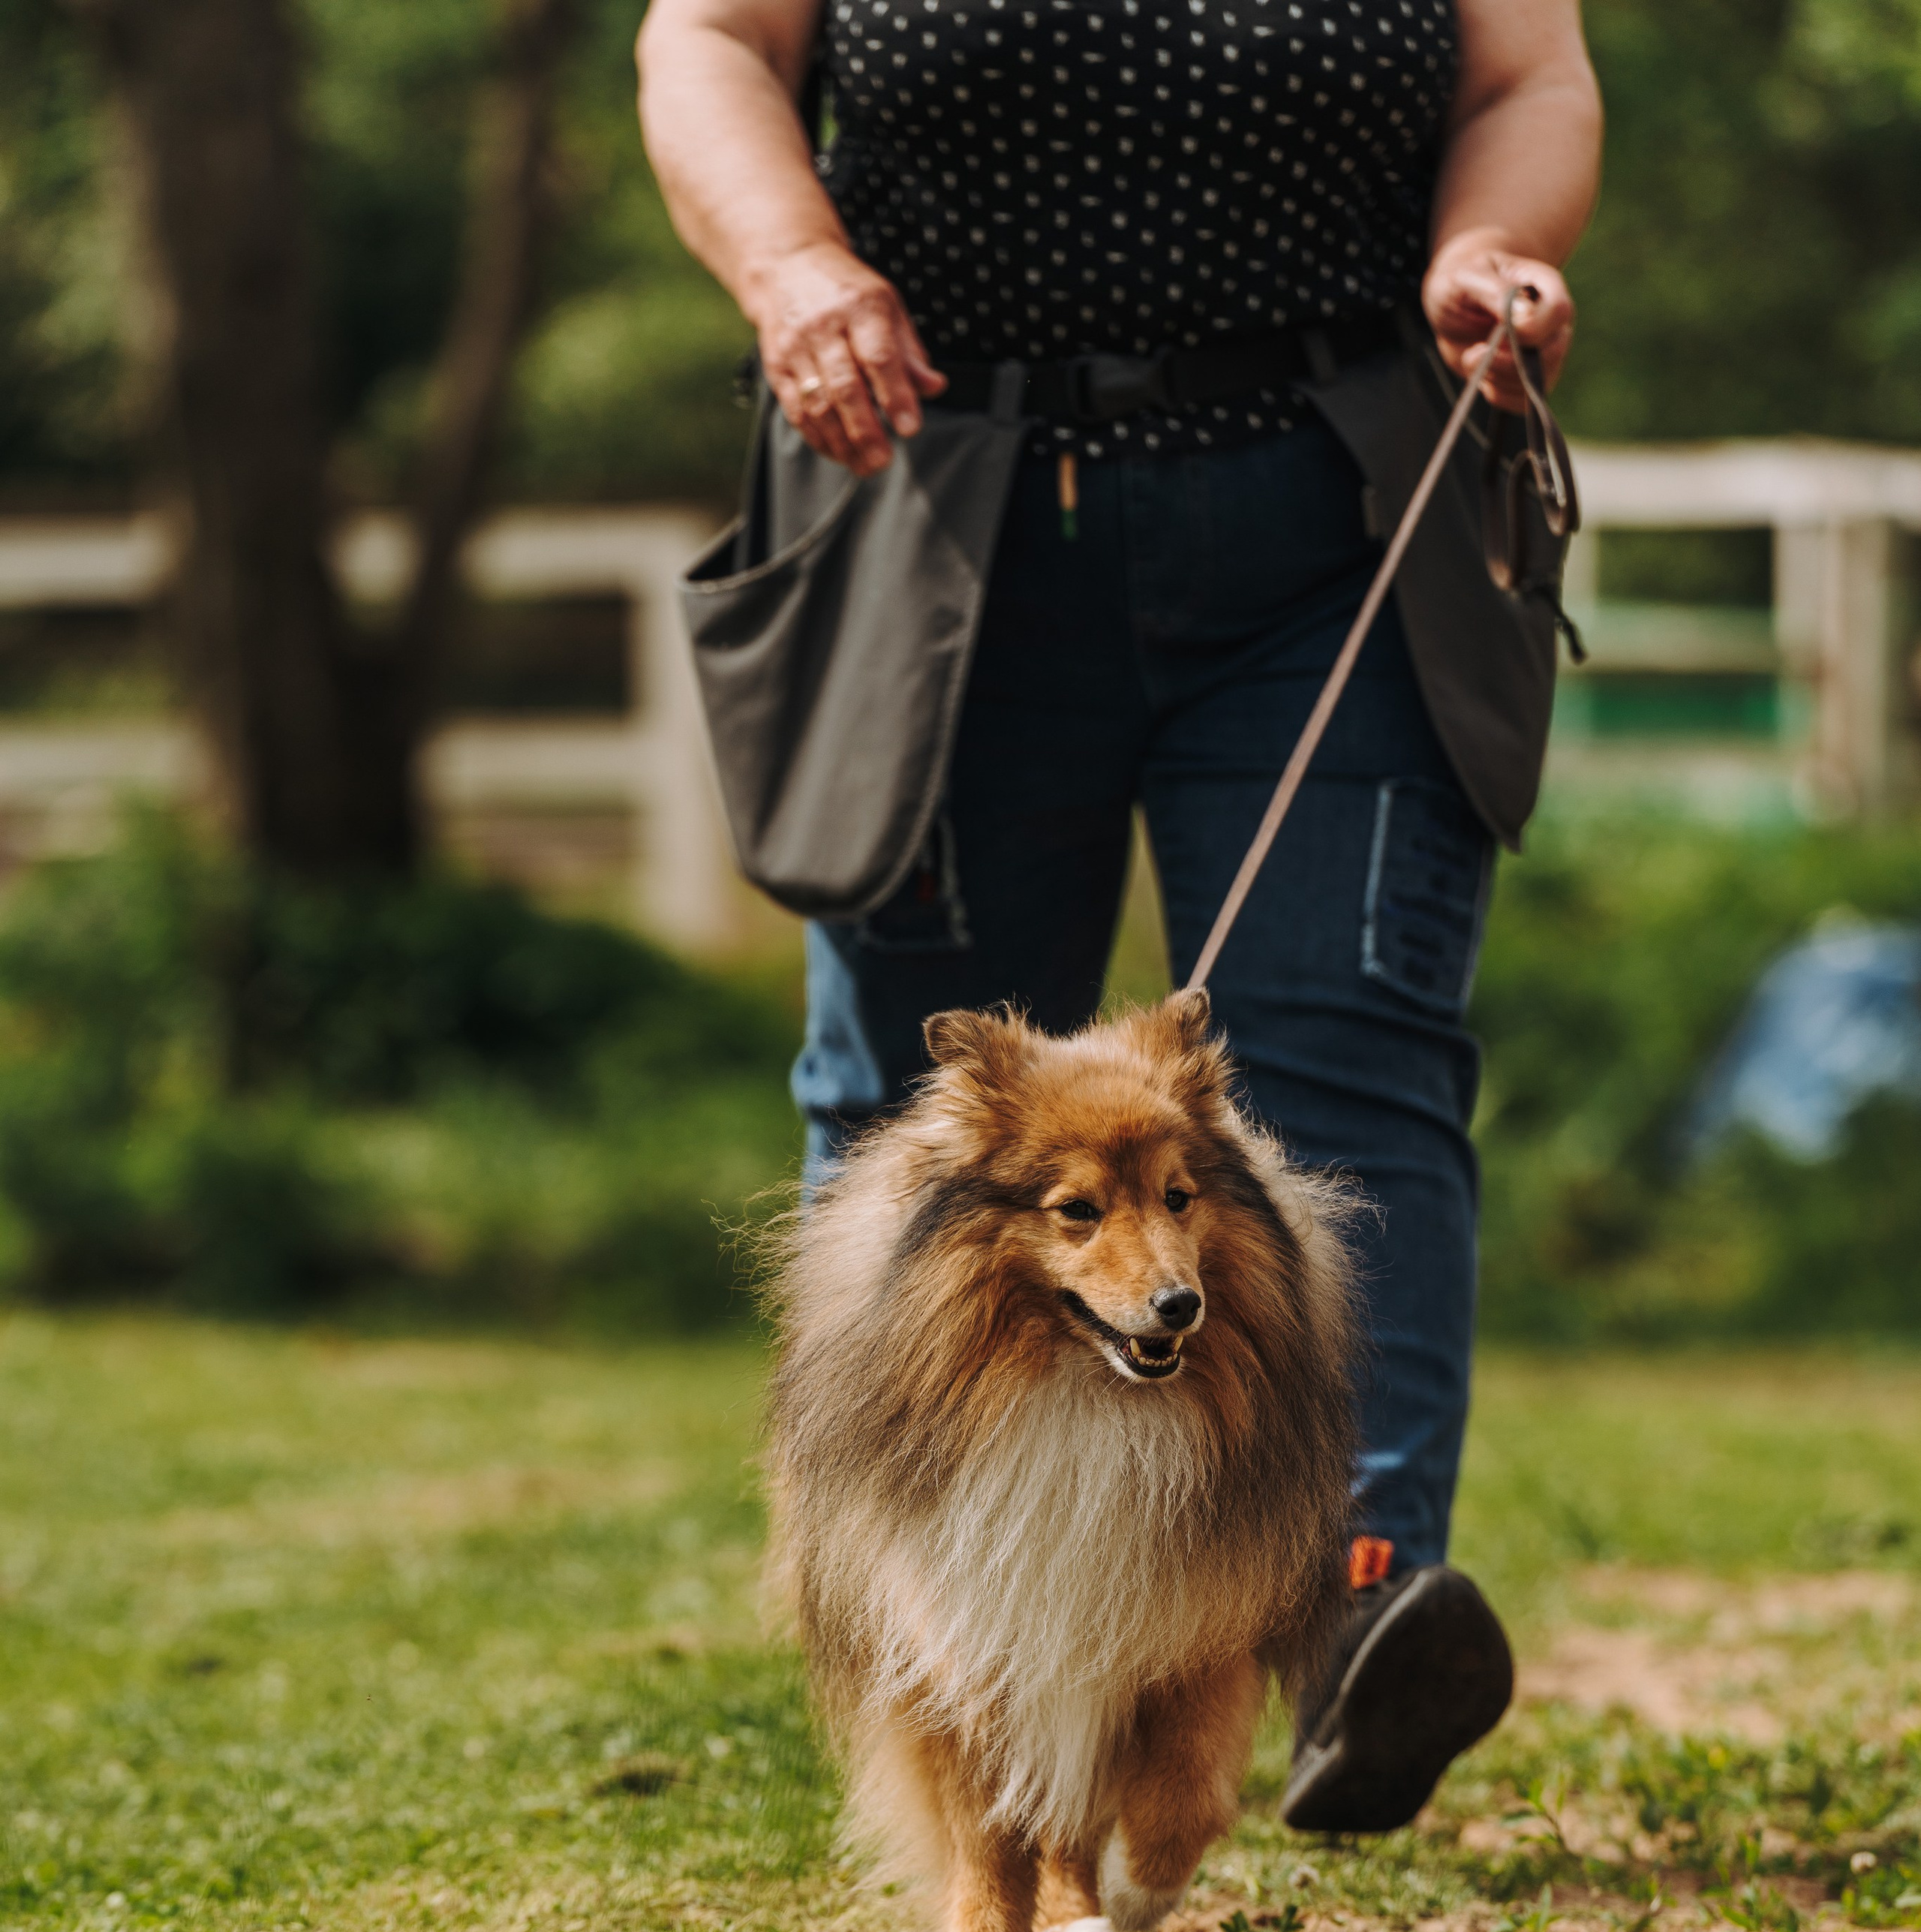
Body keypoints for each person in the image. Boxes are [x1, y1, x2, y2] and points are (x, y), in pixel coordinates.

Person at [638, 0, 1603, 1832]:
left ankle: (1340, 1599)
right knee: (918, 1113)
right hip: (931, 489)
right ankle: (942, 1647)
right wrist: (793, 269)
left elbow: (1523, 76)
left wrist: (1492, 250)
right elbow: (706, 44)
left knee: (1352, 1056)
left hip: (1337, 505)